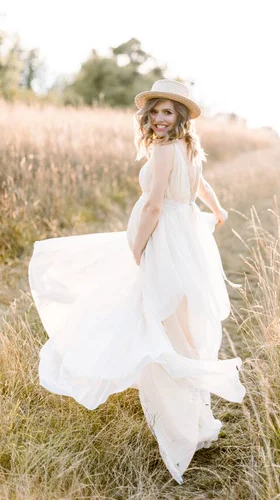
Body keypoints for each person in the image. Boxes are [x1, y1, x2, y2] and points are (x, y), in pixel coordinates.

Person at [28, 78, 246, 484]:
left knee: (168, 328)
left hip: (166, 241)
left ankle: (188, 422)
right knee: (180, 328)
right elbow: (199, 184)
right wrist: (216, 210)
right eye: (156, 112)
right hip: (185, 242)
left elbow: (153, 203)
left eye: (168, 112)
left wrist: (138, 247)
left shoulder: (166, 149)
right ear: (148, 115)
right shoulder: (186, 148)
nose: (160, 119)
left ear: (180, 116)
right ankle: (197, 412)